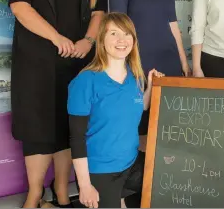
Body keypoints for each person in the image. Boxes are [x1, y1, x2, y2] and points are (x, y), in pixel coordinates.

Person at [8, 0, 105, 208]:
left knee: (68, 125)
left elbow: (99, 13)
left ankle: (62, 189)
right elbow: (20, 7)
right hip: (35, 64)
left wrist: (87, 41)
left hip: (74, 64)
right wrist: (56, 38)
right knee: (37, 126)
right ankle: (35, 192)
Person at [67, 13, 164, 208]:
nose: (122, 40)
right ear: (101, 39)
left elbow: (137, 107)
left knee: (167, 184)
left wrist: (150, 87)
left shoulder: (135, 76)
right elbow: (76, 138)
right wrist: (85, 186)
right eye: (114, 33)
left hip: (131, 163)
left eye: (127, 34)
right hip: (101, 171)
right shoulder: (85, 81)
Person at [109, 0, 190, 137]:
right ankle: (141, 171)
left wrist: (183, 62)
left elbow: (172, 24)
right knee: (140, 126)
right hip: (137, 64)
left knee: (168, 126)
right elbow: (117, 28)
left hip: (169, 63)